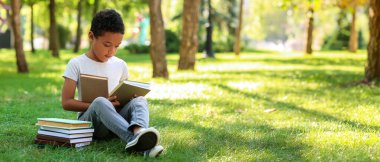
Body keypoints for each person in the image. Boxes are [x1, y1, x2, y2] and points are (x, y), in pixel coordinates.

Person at [61, 9, 163, 158]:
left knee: (139, 100)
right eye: (107, 44)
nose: (111, 51)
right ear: (91, 36)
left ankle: (139, 132)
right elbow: (66, 102)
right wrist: (98, 104)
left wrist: (130, 99)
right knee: (101, 102)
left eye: (117, 46)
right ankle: (134, 141)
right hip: (92, 124)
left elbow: (124, 94)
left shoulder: (120, 65)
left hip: (115, 122)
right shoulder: (76, 63)